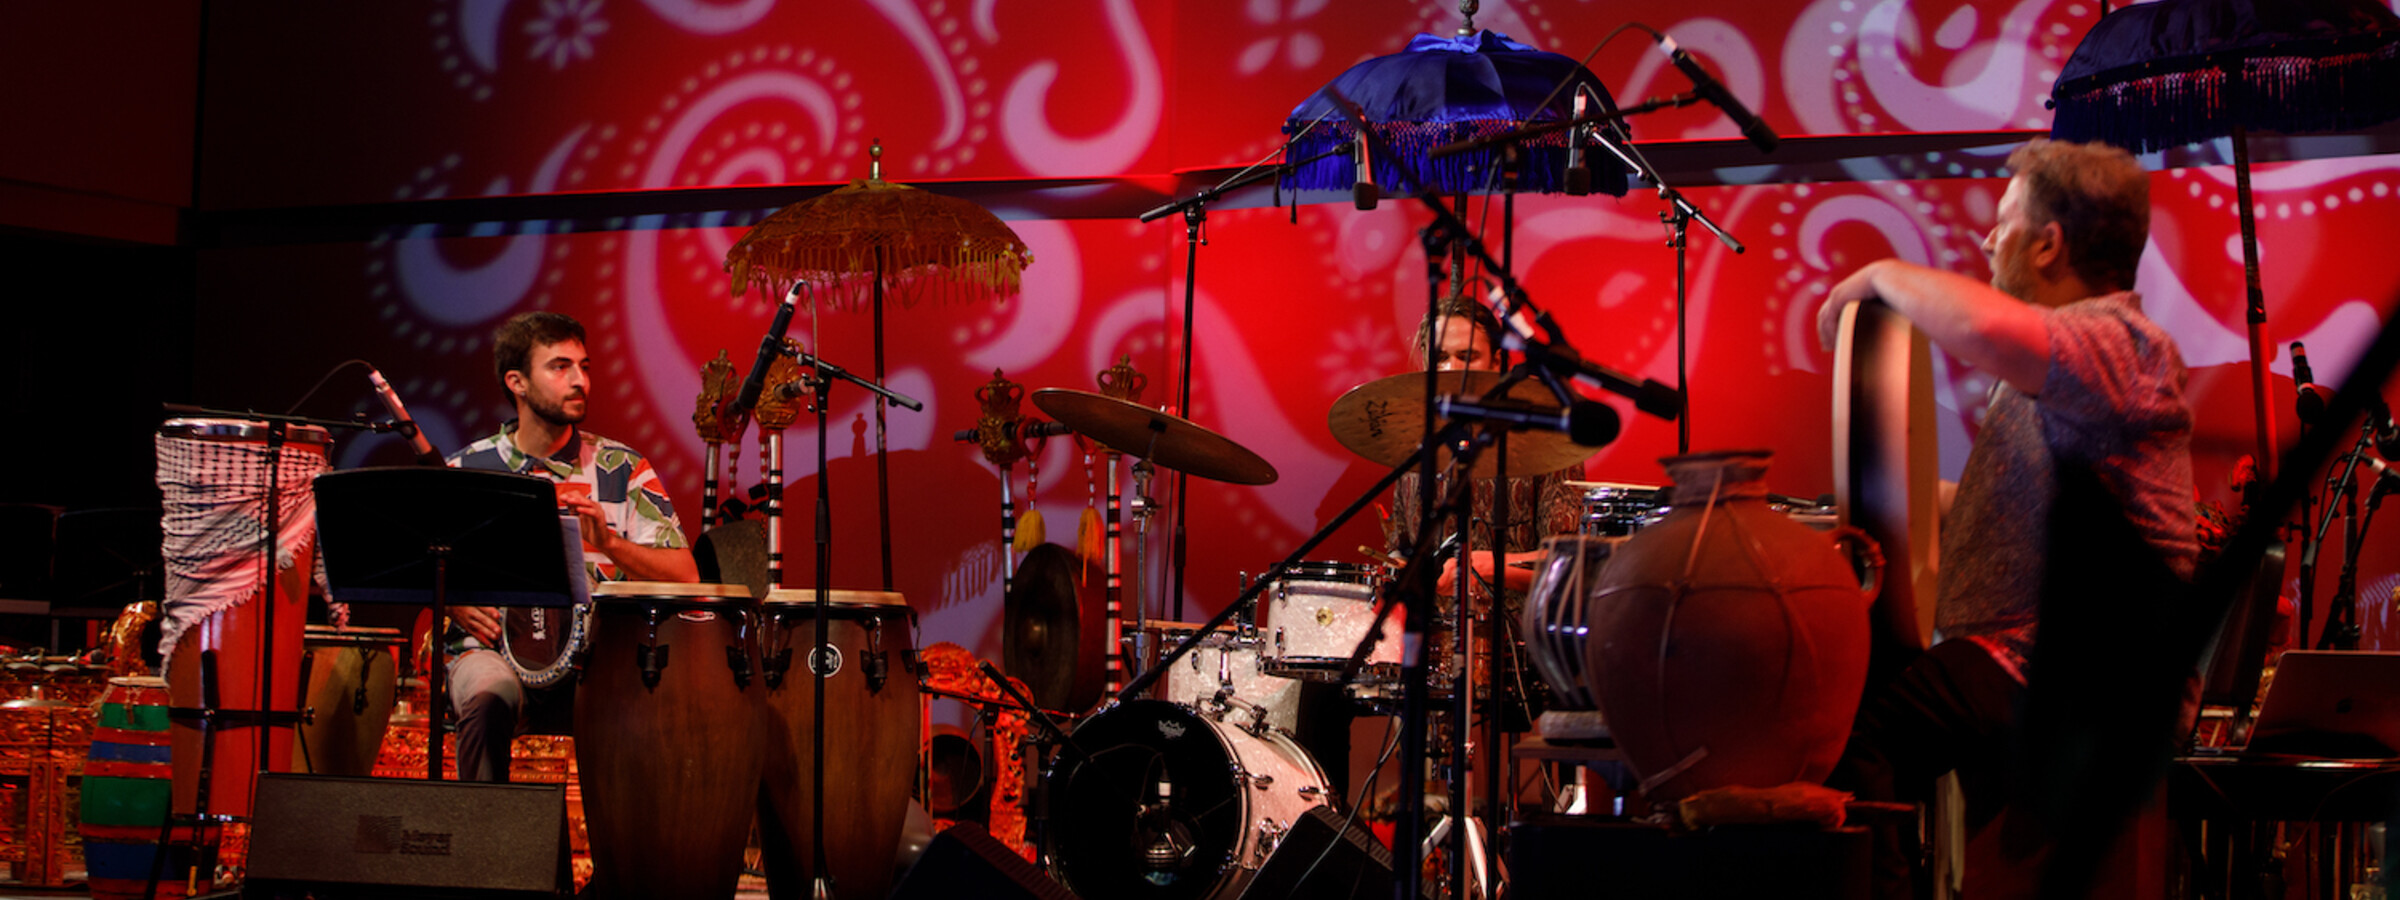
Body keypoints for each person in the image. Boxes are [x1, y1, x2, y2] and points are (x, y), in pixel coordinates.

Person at [1814, 139, 2197, 898]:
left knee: (1856, 733)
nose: (1989, 241)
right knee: (1868, 696)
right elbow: (2007, 502)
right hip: (2030, 655)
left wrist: (1880, 276)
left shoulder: (2120, 342)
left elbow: (1985, 330)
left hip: (2083, 665)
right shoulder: (2069, 370)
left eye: (2004, 223)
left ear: (2049, 242)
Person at [445, 311, 698, 781]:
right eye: (560, 367)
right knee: (487, 695)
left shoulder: (621, 467)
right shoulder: (465, 472)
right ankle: (487, 848)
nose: (580, 380)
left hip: (598, 660)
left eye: (584, 366)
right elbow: (419, 564)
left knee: (656, 705)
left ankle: (624, 852)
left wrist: (611, 544)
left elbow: (686, 576)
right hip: (494, 653)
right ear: (517, 382)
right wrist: (454, 599)